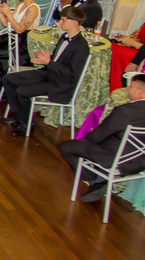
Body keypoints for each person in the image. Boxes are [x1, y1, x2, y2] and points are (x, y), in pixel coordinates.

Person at [0, 6, 90, 136]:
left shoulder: (81, 47)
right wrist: (47, 58)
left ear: (74, 23)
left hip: (61, 84)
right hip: (50, 73)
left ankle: (26, 124)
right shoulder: (64, 36)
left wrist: (49, 62)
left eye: (63, 20)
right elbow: (60, 59)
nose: (59, 23)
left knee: (22, 91)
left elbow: (71, 74)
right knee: (8, 79)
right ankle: (20, 115)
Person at [62, 75, 145, 203]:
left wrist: (90, 135)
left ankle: (95, 180)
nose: (128, 88)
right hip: (140, 161)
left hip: (118, 159)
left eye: (131, 86)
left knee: (67, 146)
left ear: (140, 92)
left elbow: (97, 136)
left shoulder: (124, 111)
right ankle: (99, 182)